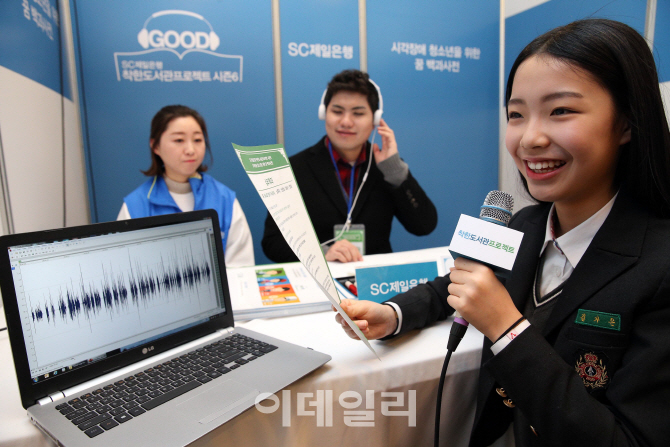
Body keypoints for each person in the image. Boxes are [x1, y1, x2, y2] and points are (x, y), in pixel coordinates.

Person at [335, 19, 670, 446]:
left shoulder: (659, 265)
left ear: (625, 122)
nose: (529, 138)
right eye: (516, 114)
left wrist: (506, 328)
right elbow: (453, 286)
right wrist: (393, 314)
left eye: (561, 111)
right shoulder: (524, 225)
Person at [261, 69, 438, 263]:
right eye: (337, 111)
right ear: (324, 113)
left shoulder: (386, 168)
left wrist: (394, 170)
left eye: (358, 113)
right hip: (320, 285)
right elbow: (272, 242)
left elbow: (424, 226)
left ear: (375, 120)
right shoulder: (295, 168)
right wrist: (321, 253)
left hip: (377, 284)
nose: (345, 122)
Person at [118, 105, 255, 267]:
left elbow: (241, 269)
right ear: (155, 146)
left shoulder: (224, 199)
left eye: (197, 140)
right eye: (179, 140)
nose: (190, 150)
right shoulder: (135, 206)